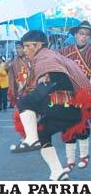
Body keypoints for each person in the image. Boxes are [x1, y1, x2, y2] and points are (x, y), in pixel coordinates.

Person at [14, 30, 90, 180]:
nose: (25, 50)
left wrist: (43, 84)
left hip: (65, 105)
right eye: (24, 46)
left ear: (39, 45)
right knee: (42, 132)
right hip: (75, 112)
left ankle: (31, 139)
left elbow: (55, 73)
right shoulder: (56, 55)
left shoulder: (45, 55)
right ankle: (58, 172)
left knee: (25, 102)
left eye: (28, 46)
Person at [59, 21, 90, 171]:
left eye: (87, 35)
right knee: (67, 126)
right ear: (75, 35)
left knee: (82, 124)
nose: (84, 37)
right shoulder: (65, 51)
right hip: (67, 93)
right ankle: (70, 161)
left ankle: (84, 156)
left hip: (85, 93)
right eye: (81, 34)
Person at [7, 41, 37, 153]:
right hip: (21, 92)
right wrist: (13, 92)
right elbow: (12, 78)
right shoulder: (13, 62)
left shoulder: (32, 58)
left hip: (34, 91)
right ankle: (27, 137)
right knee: (21, 116)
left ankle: (34, 137)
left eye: (20, 47)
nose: (18, 50)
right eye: (17, 48)